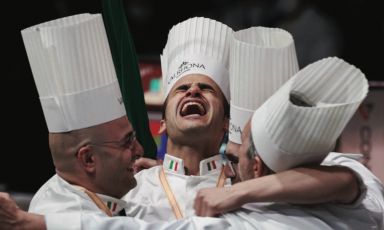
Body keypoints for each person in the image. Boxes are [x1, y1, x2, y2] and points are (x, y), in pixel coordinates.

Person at [16, 13, 231, 230]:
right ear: (163, 121)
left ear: (227, 122)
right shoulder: (131, 189)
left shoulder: (243, 183)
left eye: (207, 88)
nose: (193, 91)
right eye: (182, 88)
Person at [194, 57, 384, 229]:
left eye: (237, 156)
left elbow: (345, 180)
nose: (228, 169)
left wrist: (234, 192)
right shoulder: (361, 203)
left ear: (256, 168)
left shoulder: (235, 222)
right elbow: (346, 181)